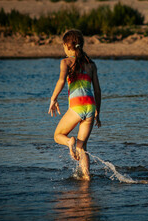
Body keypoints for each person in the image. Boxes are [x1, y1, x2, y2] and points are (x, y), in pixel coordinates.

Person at [48, 29, 101, 181]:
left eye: (63, 46)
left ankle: (69, 141)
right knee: (82, 147)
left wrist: (53, 99)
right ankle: (86, 177)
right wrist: (98, 112)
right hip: (90, 107)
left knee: (58, 136)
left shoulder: (65, 62)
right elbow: (97, 90)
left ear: (67, 46)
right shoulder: (91, 64)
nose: (63, 49)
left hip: (77, 107)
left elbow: (61, 81)